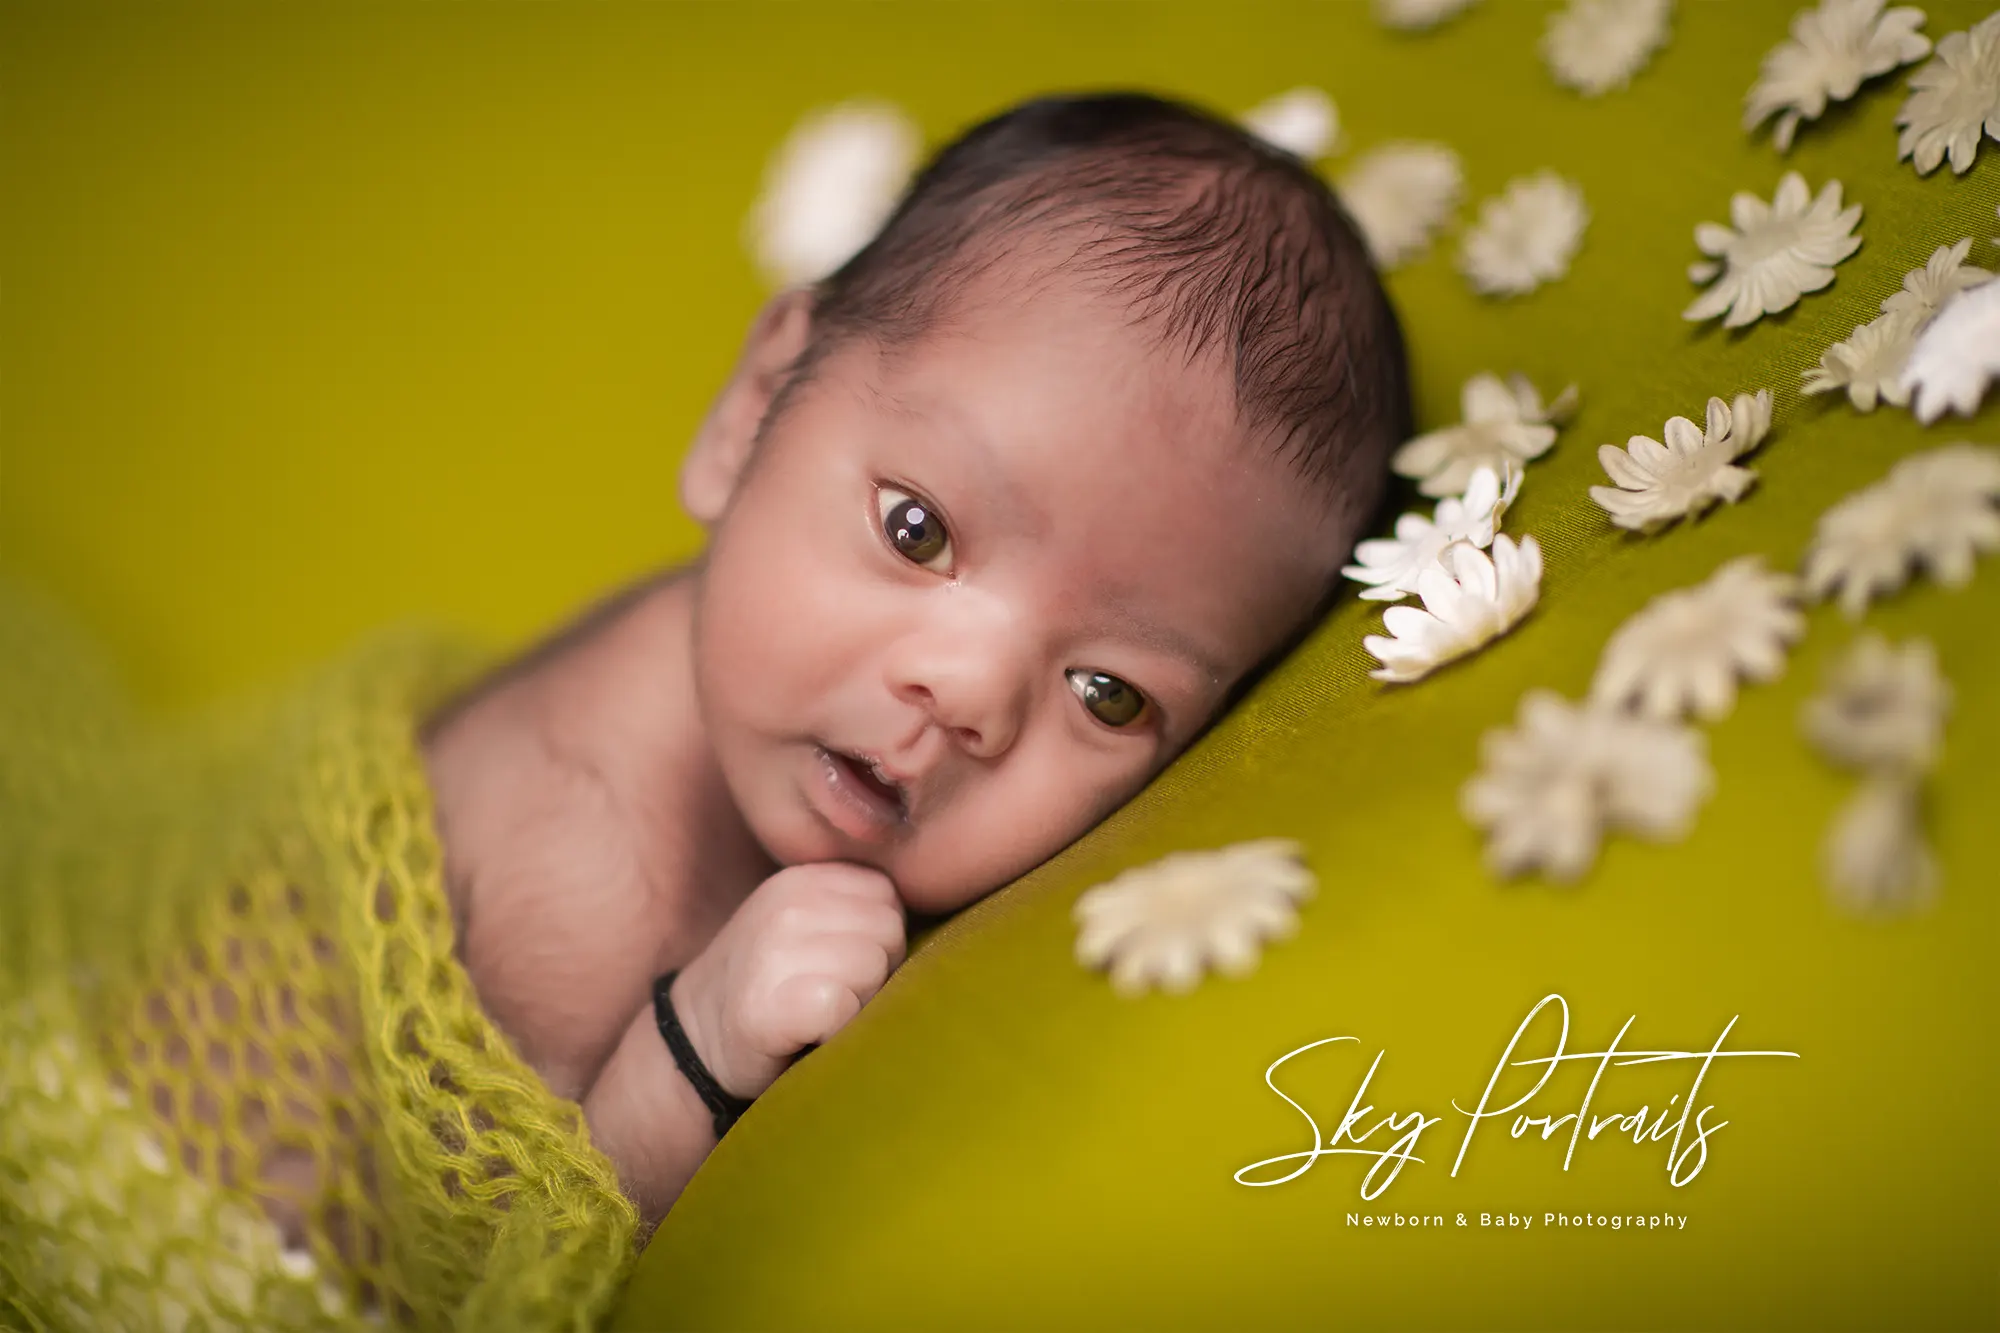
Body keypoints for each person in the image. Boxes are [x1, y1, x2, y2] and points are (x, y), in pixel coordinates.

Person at [419, 89, 1414, 1230]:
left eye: (1107, 692)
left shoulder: (753, 661)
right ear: (751, 414)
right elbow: (466, 1284)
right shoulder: (583, 861)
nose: (969, 694)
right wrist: (685, 1059)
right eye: (917, 530)